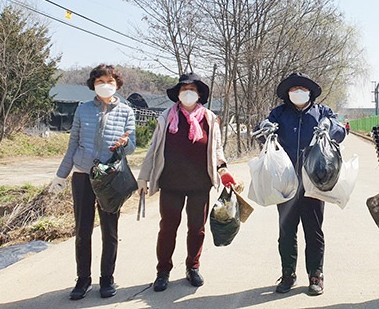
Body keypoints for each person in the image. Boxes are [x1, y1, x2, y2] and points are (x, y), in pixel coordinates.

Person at [137, 73, 237, 292]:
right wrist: (143, 177)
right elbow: (153, 150)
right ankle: (163, 271)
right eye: (184, 89)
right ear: (178, 94)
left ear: (199, 94)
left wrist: (223, 170)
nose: (188, 93)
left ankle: (193, 267)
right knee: (167, 228)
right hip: (171, 183)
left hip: (199, 185)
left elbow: (217, 149)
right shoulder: (166, 117)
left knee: (197, 229)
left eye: (192, 89)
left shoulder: (210, 118)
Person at [49, 64, 136, 300]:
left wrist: (124, 144)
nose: (105, 85)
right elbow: (72, 145)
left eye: (110, 81)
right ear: (93, 85)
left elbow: (133, 144)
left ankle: (107, 278)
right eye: (100, 81)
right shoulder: (83, 110)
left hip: (110, 178)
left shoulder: (127, 111)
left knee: (110, 230)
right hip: (82, 175)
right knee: (82, 230)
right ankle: (83, 279)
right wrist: (61, 175)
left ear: (117, 84)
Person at [256, 72, 346, 296]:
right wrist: (265, 127)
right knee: (287, 231)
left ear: (310, 92)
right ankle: (288, 274)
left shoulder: (322, 112)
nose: (298, 92)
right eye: (293, 89)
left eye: (302, 89)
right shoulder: (280, 113)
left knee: (314, 230)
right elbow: (261, 130)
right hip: (286, 181)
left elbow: (340, 130)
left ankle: (316, 275)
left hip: (314, 180)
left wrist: (329, 126)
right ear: (288, 93)